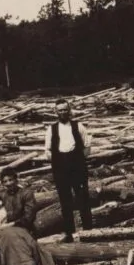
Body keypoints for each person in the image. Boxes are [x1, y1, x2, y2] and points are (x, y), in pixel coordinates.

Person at [43, 99, 93, 243]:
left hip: (77, 166)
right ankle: (69, 232)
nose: (63, 112)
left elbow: (87, 147)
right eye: (60, 110)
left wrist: (77, 160)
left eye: (65, 109)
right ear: (56, 112)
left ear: (69, 110)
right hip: (60, 168)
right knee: (65, 201)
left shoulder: (79, 126)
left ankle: (88, 231)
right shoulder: (51, 129)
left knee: (83, 198)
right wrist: (60, 162)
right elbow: (48, 151)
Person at [0, 168, 55, 265]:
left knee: (10, 233)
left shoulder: (26, 193)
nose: (9, 183)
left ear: (16, 180)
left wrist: (11, 224)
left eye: (10, 180)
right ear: (2, 184)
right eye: (5, 181)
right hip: (7, 227)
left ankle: (24, 264)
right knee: (3, 234)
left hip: (25, 227)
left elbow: (29, 217)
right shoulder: (3, 196)